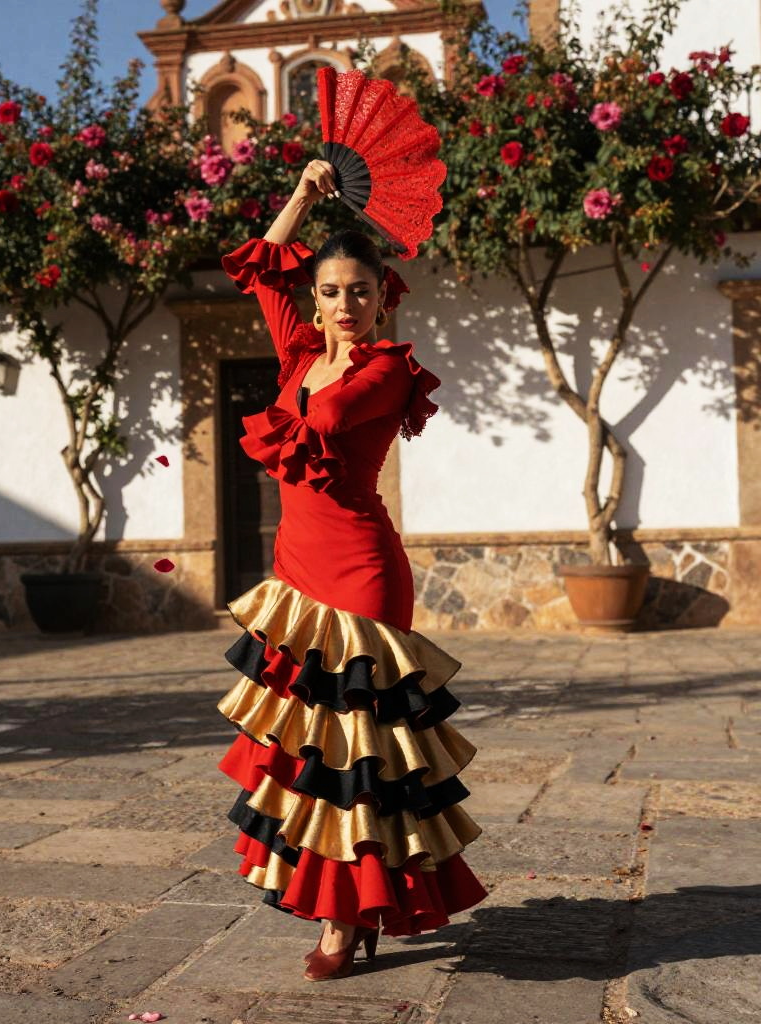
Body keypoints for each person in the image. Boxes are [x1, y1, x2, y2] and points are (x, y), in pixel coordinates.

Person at [216, 159, 488, 981]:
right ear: (318, 297)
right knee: (310, 753)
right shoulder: (300, 355)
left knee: (355, 751)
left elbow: (329, 421)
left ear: (384, 294)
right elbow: (261, 270)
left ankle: (344, 921)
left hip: (362, 571)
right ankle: (349, 905)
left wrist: (320, 359)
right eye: (330, 291)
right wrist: (300, 198)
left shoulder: (388, 370)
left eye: (359, 290)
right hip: (295, 567)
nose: (344, 304)